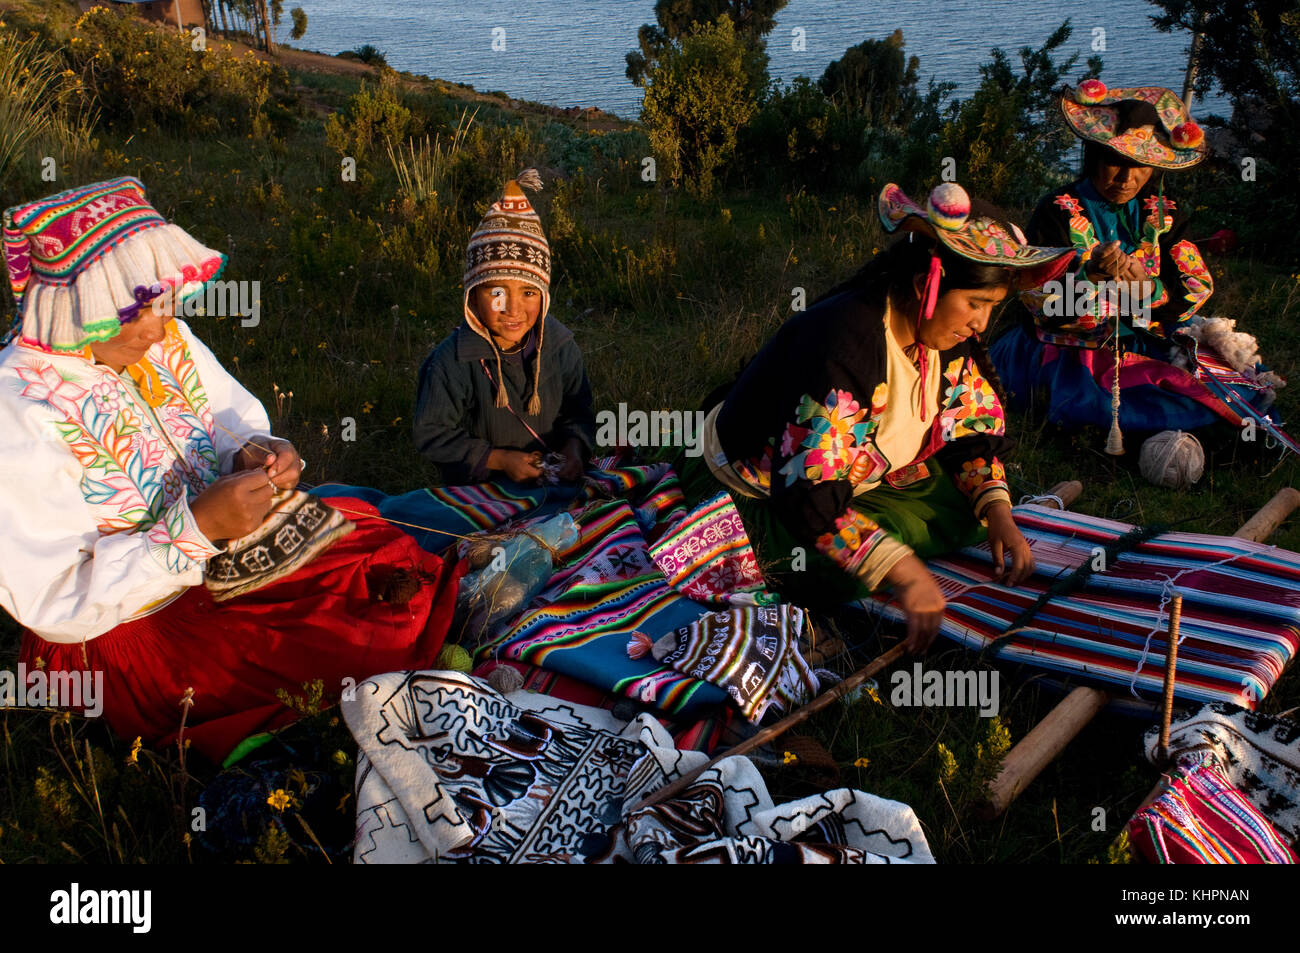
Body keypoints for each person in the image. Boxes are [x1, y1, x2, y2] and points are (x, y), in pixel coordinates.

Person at [0, 177, 462, 761]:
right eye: (136, 311)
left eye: (164, 304)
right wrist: (194, 529)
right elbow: (56, 601)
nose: (158, 327)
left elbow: (231, 421)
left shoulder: (160, 341)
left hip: (220, 560)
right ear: (76, 308)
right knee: (344, 646)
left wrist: (257, 451)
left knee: (383, 551)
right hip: (127, 631)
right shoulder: (16, 407)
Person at [682, 183, 1075, 652]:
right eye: (975, 303)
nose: (981, 324)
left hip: (852, 477)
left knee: (972, 515)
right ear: (925, 286)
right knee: (848, 565)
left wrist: (998, 513)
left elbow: (970, 428)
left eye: (992, 307)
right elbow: (806, 489)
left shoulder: (942, 339)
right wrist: (903, 571)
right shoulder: (845, 347)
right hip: (766, 492)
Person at [991, 81, 1288, 454]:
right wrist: (1090, 277)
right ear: (1093, 156)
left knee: (1223, 388)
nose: (1126, 179)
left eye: (1141, 166)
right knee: (1110, 404)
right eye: (1116, 163)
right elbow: (1039, 302)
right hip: (1074, 348)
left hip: (1150, 337)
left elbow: (1192, 286)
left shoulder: (1164, 213)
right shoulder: (1056, 210)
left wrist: (1147, 288)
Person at [413, 170, 596, 486]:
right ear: (473, 296)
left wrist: (574, 449)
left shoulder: (560, 346)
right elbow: (432, 433)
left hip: (551, 483)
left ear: (544, 295)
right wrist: (498, 459)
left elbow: (579, 413)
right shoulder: (452, 361)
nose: (513, 309)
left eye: (528, 293)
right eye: (497, 292)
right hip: (480, 490)